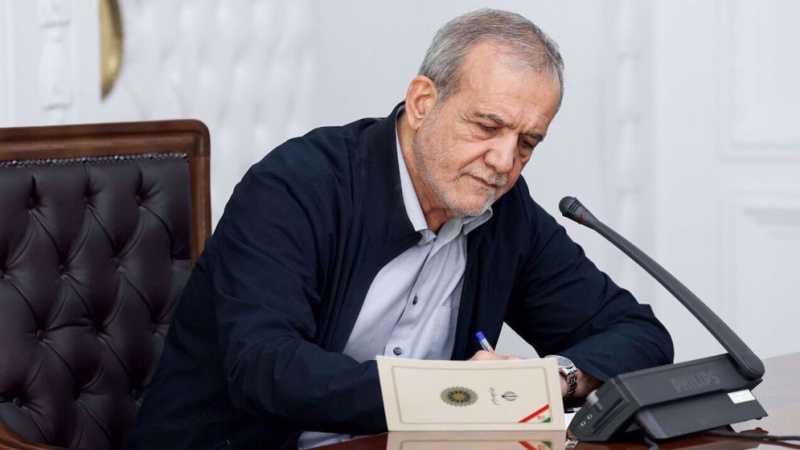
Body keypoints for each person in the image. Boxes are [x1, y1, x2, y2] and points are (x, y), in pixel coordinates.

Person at [127, 9, 673, 449]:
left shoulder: (507, 212)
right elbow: (267, 368)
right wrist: (456, 396)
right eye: (488, 126)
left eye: (527, 142)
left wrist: (553, 379)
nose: (505, 161)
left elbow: (639, 334)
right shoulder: (296, 186)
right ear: (422, 102)